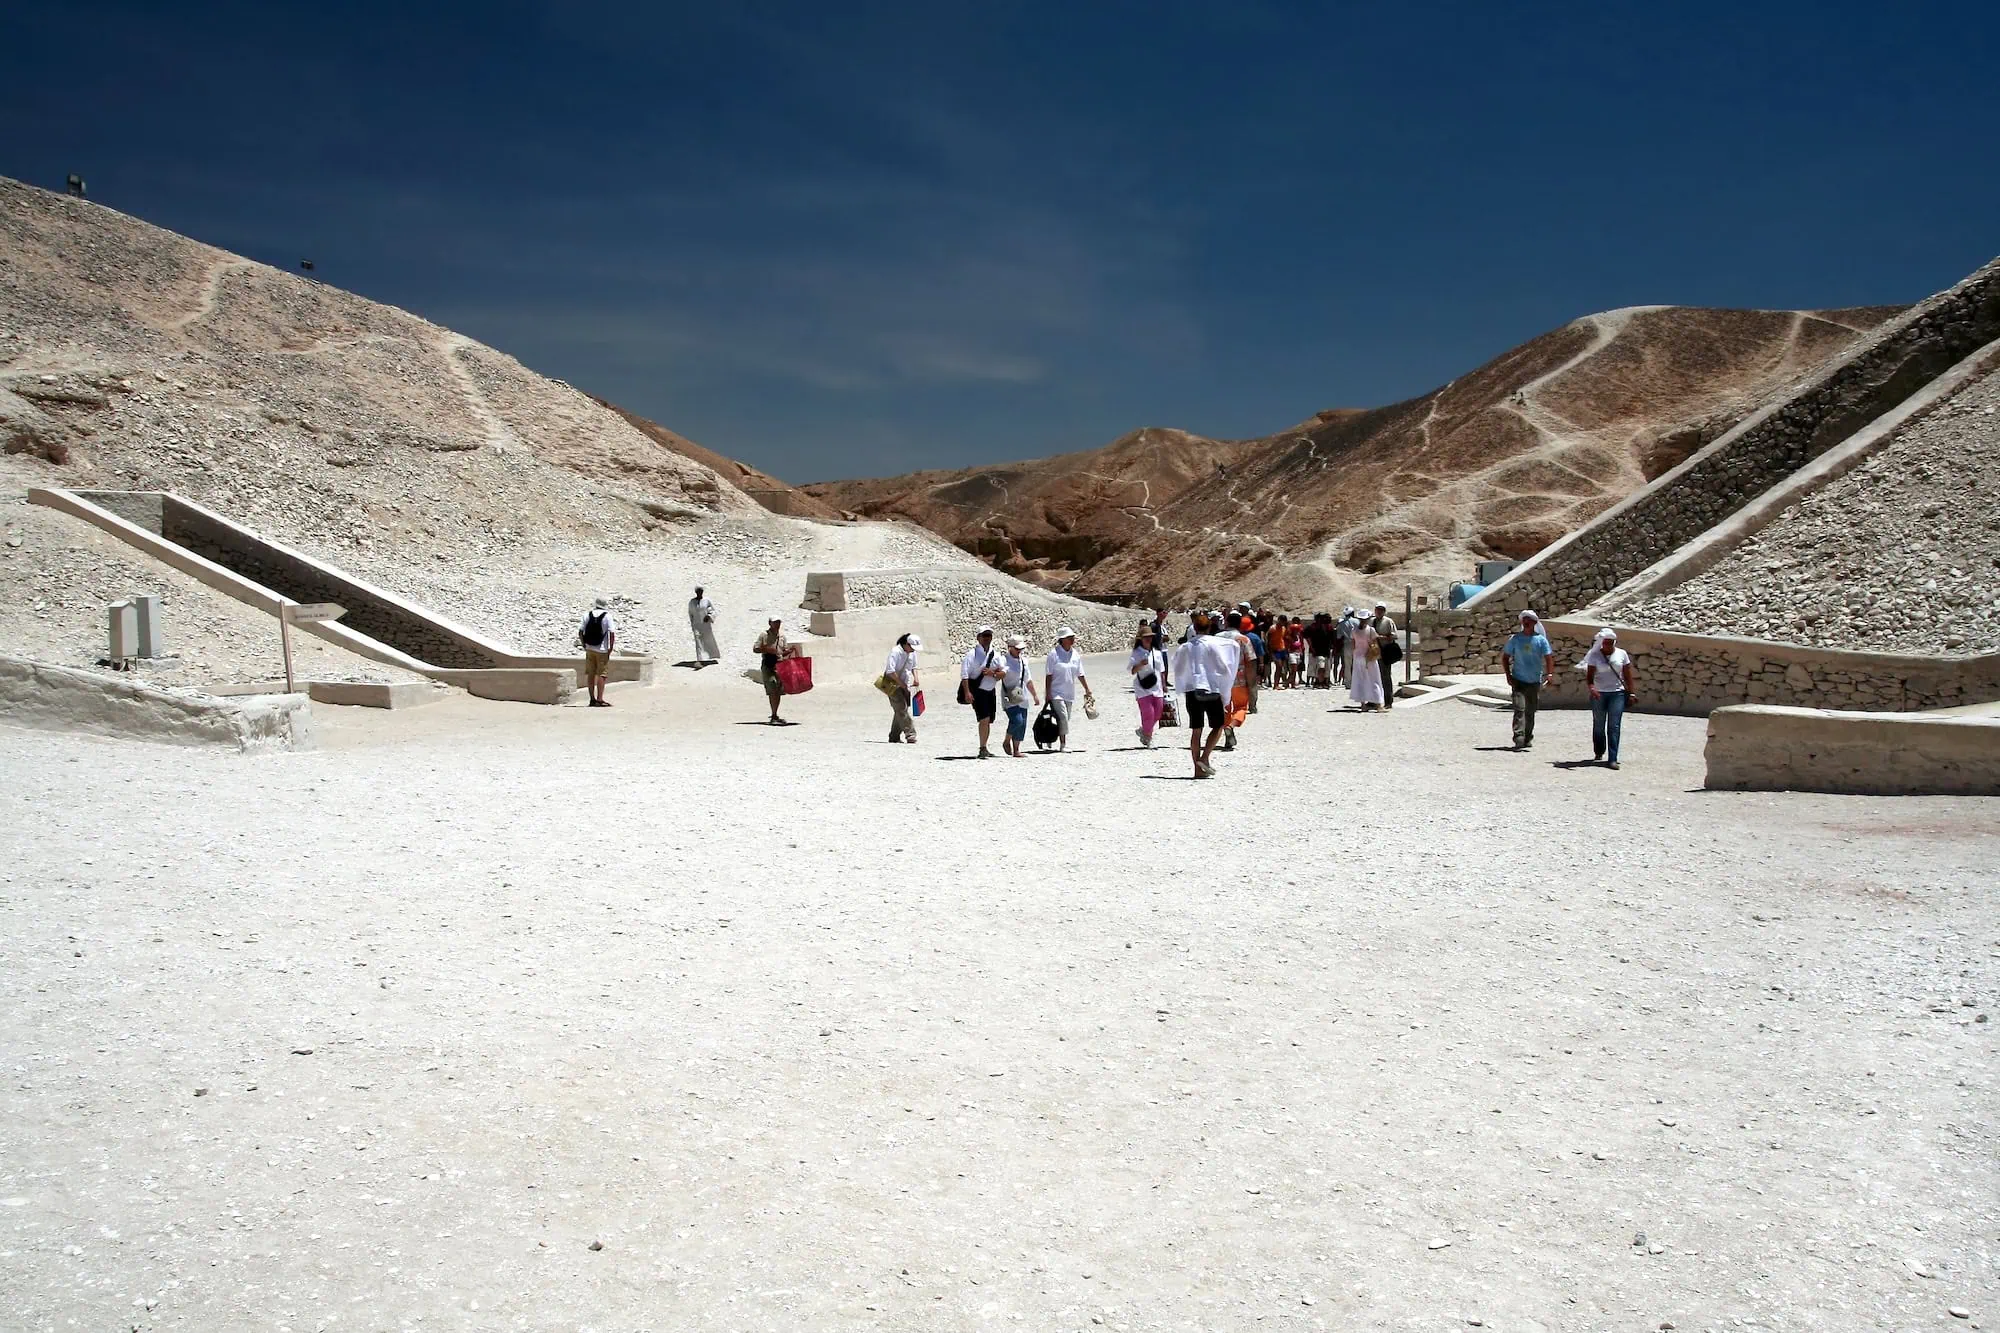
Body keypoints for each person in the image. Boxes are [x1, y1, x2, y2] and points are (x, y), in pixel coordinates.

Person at [1169, 611, 1242, 778]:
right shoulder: (1213, 645)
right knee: (1218, 726)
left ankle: (1197, 770)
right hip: (1210, 689)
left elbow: (1178, 668)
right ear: (1209, 627)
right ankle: (1205, 757)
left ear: (1194, 627)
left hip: (1192, 690)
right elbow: (1223, 667)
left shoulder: (1185, 647)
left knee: (1196, 730)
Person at [1582, 628, 1636, 769]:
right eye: (1606, 643)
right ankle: (1599, 750)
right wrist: (1592, 688)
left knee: (1614, 726)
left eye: (1611, 643)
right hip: (1599, 693)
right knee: (1599, 725)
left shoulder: (1621, 654)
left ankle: (1613, 758)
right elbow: (1590, 677)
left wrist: (1631, 693)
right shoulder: (1595, 656)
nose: (1608, 645)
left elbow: (1628, 674)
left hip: (1617, 693)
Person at [1501, 610, 1554, 750]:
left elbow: (1548, 657)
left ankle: (1528, 736)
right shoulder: (1515, 639)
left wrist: (1550, 674)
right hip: (1518, 679)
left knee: (1530, 711)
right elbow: (1505, 657)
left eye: (1529, 620)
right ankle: (1518, 736)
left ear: (1534, 623)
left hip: (1534, 680)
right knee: (1519, 708)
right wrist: (1508, 675)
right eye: (1524, 620)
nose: (1526, 622)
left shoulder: (1541, 640)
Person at [1042, 627, 1092, 752]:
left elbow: (1080, 673)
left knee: (1064, 719)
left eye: (1073, 637)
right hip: (1055, 692)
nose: (1073, 639)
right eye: (1070, 638)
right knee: (1063, 717)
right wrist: (1047, 693)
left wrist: (1087, 688)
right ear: (1062, 639)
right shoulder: (1053, 654)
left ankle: (1050, 737)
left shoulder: (1075, 654)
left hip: (1069, 692)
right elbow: (1049, 675)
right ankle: (1063, 745)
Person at [960, 625, 1006, 758]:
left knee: (988, 720)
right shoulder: (971, 655)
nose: (987, 638)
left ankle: (984, 746)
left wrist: (993, 674)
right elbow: (965, 675)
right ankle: (982, 748)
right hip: (978, 692)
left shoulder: (996, 654)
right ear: (978, 638)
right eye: (984, 635)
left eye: (989, 635)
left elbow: (1003, 672)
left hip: (990, 691)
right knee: (984, 718)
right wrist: (967, 692)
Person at [753, 616, 799, 725]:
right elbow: (755, 649)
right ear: (770, 623)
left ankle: (774, 714)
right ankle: (773, 715)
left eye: (778, 622)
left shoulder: (782, 636)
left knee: (777, 691)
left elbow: (782, 652)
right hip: (768, 664)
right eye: (775, 622)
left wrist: (789, 651)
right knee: (772, 688)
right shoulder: (764, 635)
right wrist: (766, 649)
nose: (777, 624)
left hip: (779, 665)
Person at [999, 634, 1039, 757]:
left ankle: (1016, 750)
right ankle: (1007, 741)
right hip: (1009, 695)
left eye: (1021, 649)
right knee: (1017, 720)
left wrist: (1035, 695)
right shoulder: (1003, 660)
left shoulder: (1023, 661)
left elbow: (1028, 680)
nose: (1019, 651)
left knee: (1023, 723)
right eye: (1017, 649)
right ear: (1009, 647)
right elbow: (997, 674)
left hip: (1022, 695)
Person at [1129, 625, 1167, 747]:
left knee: (1158, 713)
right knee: (1148, 713)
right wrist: (1140, 664)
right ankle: (1148, 737)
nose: (1148, 640)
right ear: (1141, 639)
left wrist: (1164, 684)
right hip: (1142, 688)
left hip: (1157, 687)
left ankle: (1144, 731)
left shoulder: (1157, 653)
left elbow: (1161, 670)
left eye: (1150, 637)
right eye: (1145, 638)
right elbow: (1132, 670)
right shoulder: (1136, 653)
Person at [577, 597, 616, 708]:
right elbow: (611, 633)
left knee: (591, 674)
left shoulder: (587, 615)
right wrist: (610, 648)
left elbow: (580, 631)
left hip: (589, 648)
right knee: (602, 674)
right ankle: (600, 699)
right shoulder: (607, 616)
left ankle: (592, 699)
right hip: (602, 649)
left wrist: (584, 644)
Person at [885, 632, 922, 744]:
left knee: (901, 709)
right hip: (891, 683)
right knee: (901, 708)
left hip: (905, 683)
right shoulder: (895, 652)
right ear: (906, 644)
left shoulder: (912, 653)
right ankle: (910, 734)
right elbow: (890, 671)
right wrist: (901, 684)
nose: (913, 650)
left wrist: (916, 678)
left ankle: (894, 736)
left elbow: (914, 666)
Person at [1348, 612, 1385, 711]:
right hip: (1369, 658)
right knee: (1375, 680)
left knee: (1360, 679)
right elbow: (1375, 644)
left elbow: (1353, 645)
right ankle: (1379, 705)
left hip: (1357, 657)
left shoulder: (1354, 630)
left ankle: (1363, 704)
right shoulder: (1371, 630)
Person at [1371, 602, 1400, 709]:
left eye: (1381, 609)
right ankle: (1374, 700)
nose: (1379, 611)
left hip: (1385, 652)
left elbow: (1394, 636)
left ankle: (1388, 700)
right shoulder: (1372, 621)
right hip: (1375, 652)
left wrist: (1381, 637)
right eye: (1377, 609)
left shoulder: (1388, 621)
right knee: (1373, 676)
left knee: (1385, 677)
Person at [687, 586, 720, 666]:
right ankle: (699, 660)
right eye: (698, 591)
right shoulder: (692, 602)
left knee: (708, 640)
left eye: (701, 591)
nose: (699, 592)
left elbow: (713, 611)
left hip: (706, 625)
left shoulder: (707, 600)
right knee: (698, 642)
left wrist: (709, 616)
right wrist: (692, 624)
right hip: (696, 625)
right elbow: (690, 613)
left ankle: (711, 656)